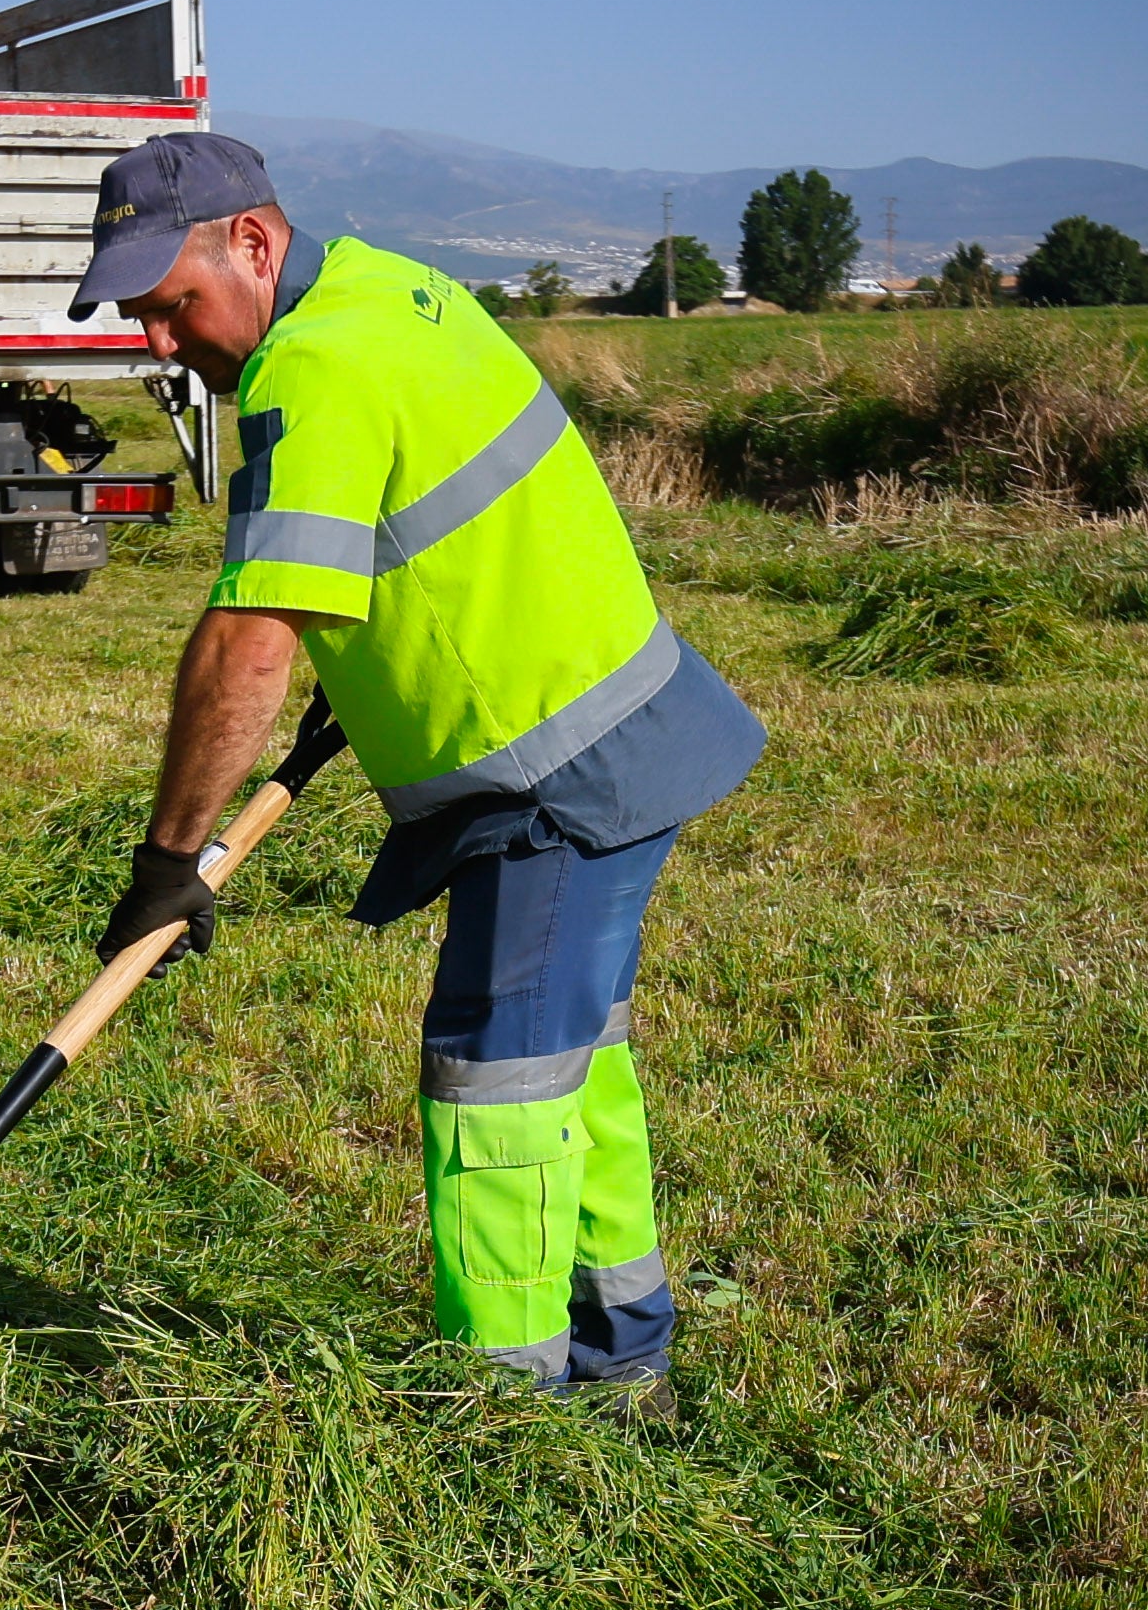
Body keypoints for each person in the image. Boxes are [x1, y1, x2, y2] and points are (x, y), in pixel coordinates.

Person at [79, 133, 764, 1405]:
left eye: (169, 305)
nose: (161, 347)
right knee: (571, 1058)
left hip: (553, 777)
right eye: (139, 320)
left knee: (493, 1078)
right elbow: (426, 519)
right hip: (618, 724)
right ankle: (625, 1362)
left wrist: (169, 857)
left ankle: (504, 1417)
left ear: (253, 243)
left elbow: (247, 644)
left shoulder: (312, 369)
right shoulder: (394, 288)